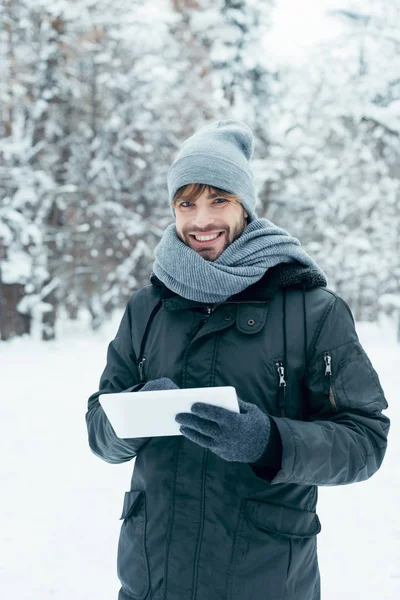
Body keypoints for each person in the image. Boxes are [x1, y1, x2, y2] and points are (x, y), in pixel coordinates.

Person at [86, 120, 390, 600]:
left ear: (244, 205)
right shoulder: (147, 308)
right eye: (187, 203)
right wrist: (134, 415)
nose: (201, 220)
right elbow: (99, 433)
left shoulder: (312, 309)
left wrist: (271, 441)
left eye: (218, 200)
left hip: (265, 580)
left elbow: (365, 441)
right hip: (151, 579)